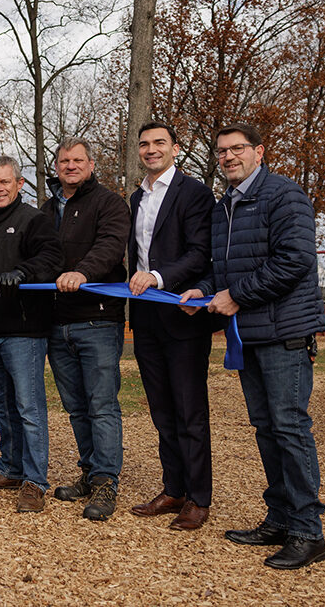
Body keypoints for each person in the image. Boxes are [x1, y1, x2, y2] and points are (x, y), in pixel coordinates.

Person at [180, 123, 325, 569]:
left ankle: (308, 531)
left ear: (259, 152)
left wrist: (237, 295)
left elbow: (294, 260)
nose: (228, 157)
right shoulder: (224, 206)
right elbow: (226, 270)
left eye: (237, 149)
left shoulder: (284, 195)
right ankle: (280, 519)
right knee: (267, 429)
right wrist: (204, 290)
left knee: (289, 428)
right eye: (222, 151)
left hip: (285, 334)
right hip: (250, 335)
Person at [126, 122, 216, 530]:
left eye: (159, 142)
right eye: (144, 144)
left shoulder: (194, 193)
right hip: (146, 320)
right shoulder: (136, 198)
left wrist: (158, 278)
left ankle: (198, 498)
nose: (151, 149)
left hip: (183, 317)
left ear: (175, 148)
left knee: (189, 412)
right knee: (162, 411)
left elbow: (199, 253)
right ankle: (174, 488)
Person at [40, 136, 130, 521]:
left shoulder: (109, 204)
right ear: (56, 167)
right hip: (57, 322)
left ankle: (107, 481)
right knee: (76, 407)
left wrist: (83, 272)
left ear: (91, 165)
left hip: (98, 319)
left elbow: (110, 246)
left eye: (78, 160)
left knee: (101, 405)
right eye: (64, 161)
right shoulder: (46, 209)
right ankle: (90, 472)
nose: (71, 166)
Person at [0, 155, 62, 513]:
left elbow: (51, 259)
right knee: (2, 407)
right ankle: (11, 468)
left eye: (5, 182)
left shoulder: (34, 220)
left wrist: (22, 272)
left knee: (29, 408)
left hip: (24, 331)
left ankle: (35, 481)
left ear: (19, 184)